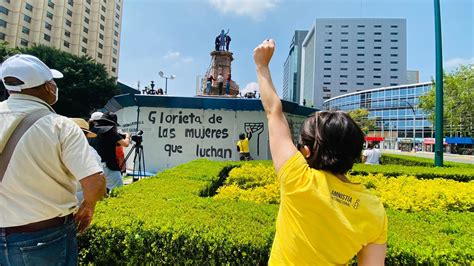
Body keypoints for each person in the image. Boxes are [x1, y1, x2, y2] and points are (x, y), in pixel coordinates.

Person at [253, 40, 387, 265]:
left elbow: (273, 111)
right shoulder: (373, 209)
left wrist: (261, 66)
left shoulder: (299, 180)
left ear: (305, 151)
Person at [0, 54, 106, 265]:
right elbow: (95, 183)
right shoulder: (61, 126)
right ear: (48, 87)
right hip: (42, 238)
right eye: (53, 82)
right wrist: (88, 205)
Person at [94, 112, 130, 191]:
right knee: (118, 190)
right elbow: (126, 144)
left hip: (94, 167)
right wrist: (128, 136)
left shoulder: (93, 130)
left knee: (100, 193)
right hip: (108, 167)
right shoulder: (110, 131)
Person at [70, 118, 104, 203]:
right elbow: (99, 179)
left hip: (75, 198)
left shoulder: (59, 149)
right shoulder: (89, 151)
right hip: (79, 197)